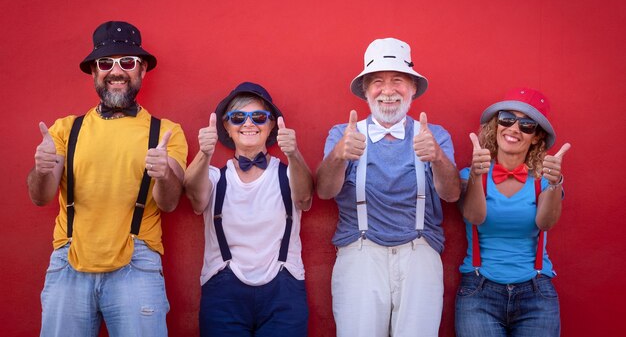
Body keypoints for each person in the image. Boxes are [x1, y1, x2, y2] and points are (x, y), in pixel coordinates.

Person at [26, 21, 188, 337]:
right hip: (68, 258)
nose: (116, 71)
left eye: (127, 62)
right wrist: (43, 169)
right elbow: (40, 196)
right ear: (94, 72)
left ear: (142, 70)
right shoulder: (65, 129)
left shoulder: (166, 132)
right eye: (106, 63)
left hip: (136, 262)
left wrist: (163, 172)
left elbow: (169, 204)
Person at [316, 38, 461, 337]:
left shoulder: (435, 135)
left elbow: (452, 194)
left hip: (420, 252)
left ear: (412, 89)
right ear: (367, 91)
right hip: (359, 251)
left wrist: (437, 157)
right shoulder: (342, 134)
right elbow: (325, 191)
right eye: (378, 82)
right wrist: (339, 154)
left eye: (398, 80)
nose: (388, 90)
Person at [184, 82, 313, 336]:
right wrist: (204, 153)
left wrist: (294, 153)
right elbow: (195, 198)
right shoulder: (213, 176)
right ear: (226, 127)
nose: (249, 124)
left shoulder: (288, 174)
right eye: (238, 117)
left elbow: (305, 198)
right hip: (223, 295)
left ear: (271, 125)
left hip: (284, 293)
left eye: (259, 117)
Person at [455, 87, 570, 337]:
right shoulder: (470, 175)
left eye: (527, 125)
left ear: (537, 137)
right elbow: (474, 217)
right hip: (479, 291)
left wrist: (555, 182)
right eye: (507, 119)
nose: (514, 129)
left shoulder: (543, 180)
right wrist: (476, 174)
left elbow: (546, 223)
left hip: (536, 293)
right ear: (496, 125)